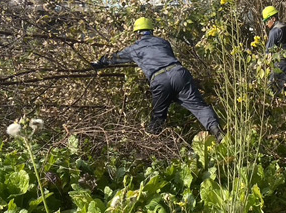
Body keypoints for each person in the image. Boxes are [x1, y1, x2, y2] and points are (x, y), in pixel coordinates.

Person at [91, 17, 224, 141]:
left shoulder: (134, 48)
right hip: (178, 73)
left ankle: (151, 146)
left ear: (137, 34)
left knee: (158, 117)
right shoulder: (163, 42)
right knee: (200, 108)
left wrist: (99, 64)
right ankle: (219, 134)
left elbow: (115, 58)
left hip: (159, 79)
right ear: (151, 31)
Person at [262, 6, 286, 96]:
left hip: (281, 64)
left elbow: (268, 52)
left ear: (273, 19)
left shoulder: (275, 31)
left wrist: (265, 66)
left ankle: (275, 108)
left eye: (266, 21)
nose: (266, 24)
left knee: (273, 88)